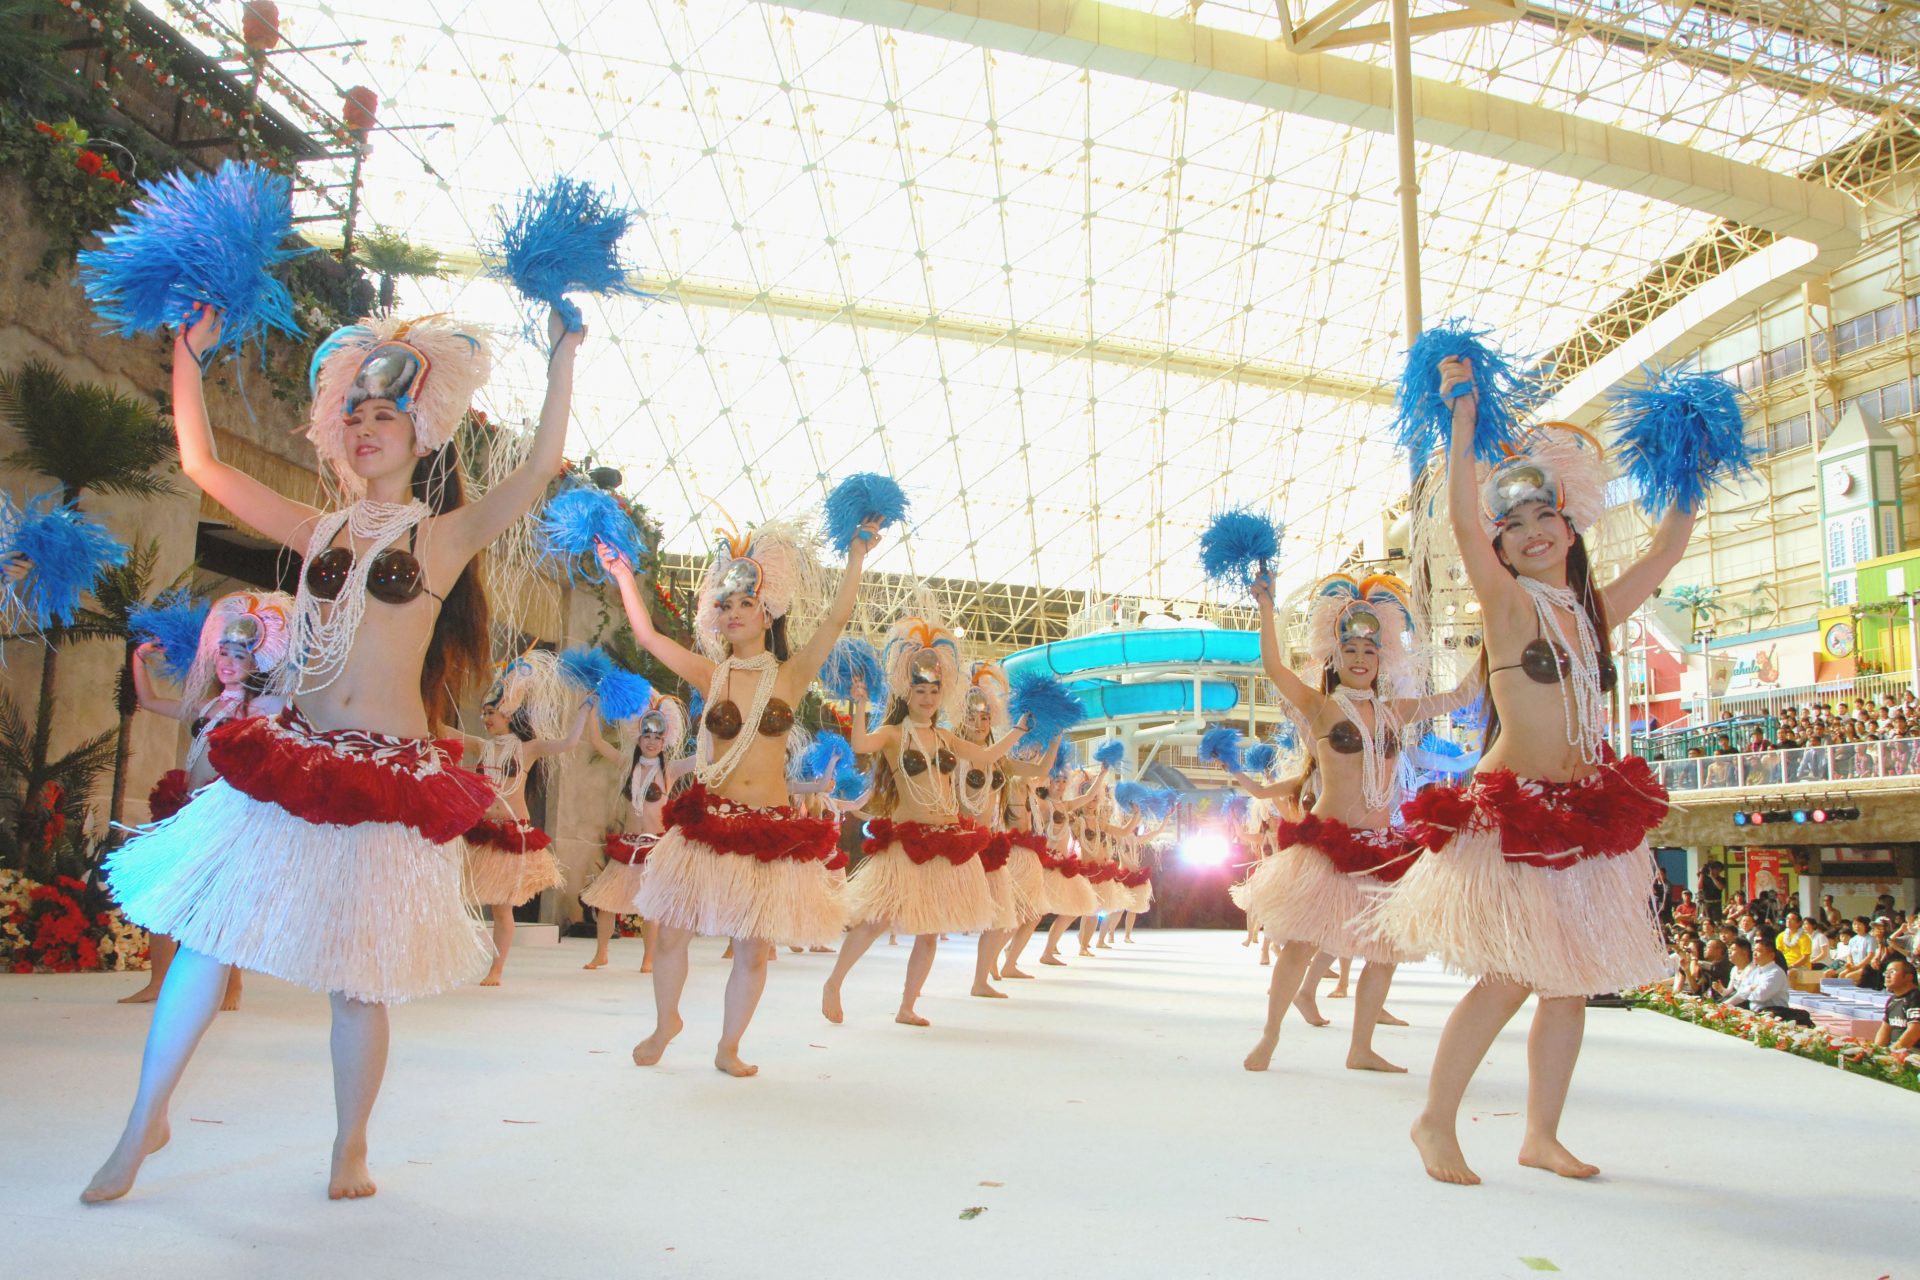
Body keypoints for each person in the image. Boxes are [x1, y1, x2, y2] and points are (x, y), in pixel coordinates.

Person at [88, 304, 580, 1203]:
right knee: (205, 939)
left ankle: (350, 1146)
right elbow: (203, 465)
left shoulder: (442, 537)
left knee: (358, 980)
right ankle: (142, 1122)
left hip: (382, 775)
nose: (361, 425)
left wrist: (561, 359)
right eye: (350, 412)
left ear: (423, 433)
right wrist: (188, 359)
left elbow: (541, 467)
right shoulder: (317, 530)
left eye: (382, 414)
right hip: (293, 757)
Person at [1381, 356, 1695, 1186]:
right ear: (1502, 547)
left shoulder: (1592, 611)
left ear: (1570, 525)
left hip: (1586, 811)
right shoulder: (1510, 604)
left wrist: (1688, 457)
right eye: (1513, 526)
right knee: (1512, 974)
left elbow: (1667, 547)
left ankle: (1539, 1136)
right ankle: (1433, 1120)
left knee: (1570, 983)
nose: (1531, 531)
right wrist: (1460, 414)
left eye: (1543, 515)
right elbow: (1457, 521)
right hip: (1516, 810)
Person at [599, 511, 878, 1077]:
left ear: (767, 609)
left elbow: (836, 618)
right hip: (709, 821)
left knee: (753, 947)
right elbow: (649, 635)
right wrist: (624, 575)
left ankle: (728, 1046)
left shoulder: (793, 674)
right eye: (722, 604)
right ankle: (665, 1023)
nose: (731, 613)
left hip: (769, 826)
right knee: (672, 932)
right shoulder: (711, 674)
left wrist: (855, 555)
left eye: (743, 603)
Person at [1239, 570, 1480, 1075]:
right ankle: (1269, 1035)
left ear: (1382, 657)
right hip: (1328, 842)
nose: (1360, 659)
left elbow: (1460, 695)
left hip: (1383, 844)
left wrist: (1495, 625)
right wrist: (1266, 609)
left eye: (1370, 652)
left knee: (1385, 949)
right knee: (1302, 944)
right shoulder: (1321, 707)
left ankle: (1361, 1047)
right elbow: (1274, 668)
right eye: (1350, 650)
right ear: (1336, 656)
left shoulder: (1396, 711)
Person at [823, 618, 1026, 1025]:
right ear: (908, 692)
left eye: (935, 690)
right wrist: (861, 704)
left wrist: (1018, 730)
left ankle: (907, 1005)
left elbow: (986, 757)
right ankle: (834, 983)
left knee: (930, 930)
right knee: (874, 920)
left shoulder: (947, 738)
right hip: (907, 843)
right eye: (921, 690)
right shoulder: (895, 733)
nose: (929, 697)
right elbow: (861, 744)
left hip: (946, 838)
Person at [119, 591, 293, 1010]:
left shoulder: (268, 705)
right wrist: (140, 661)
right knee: (163, 891)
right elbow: (149, 702)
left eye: (240, 656)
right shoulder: (210, 703)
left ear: (258, 663)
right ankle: (159, 980)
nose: (228, 662)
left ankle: (231, 985)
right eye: (223, 653)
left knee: (220, 901)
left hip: (229, 812)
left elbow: (296, 712)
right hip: (187, 806)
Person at [444, 651, 587, 986]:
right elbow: (443, 730)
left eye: (491, 712)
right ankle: (467, 961)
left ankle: (497, 968)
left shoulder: (528, 748)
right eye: (483, 712)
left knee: (502, 908)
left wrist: (584, 713)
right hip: (484, 832)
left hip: (512, 833)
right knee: (475, 903)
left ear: (509, 713)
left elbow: (568, 743)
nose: (486, 718)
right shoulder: (483, 746)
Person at [582, 693, 695, 971]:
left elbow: (702, 757)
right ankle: (602, 953)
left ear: (665, 740)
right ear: (638, 737)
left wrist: (711, 722)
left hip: (655, 847)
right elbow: (597, 742)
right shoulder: (626, 764)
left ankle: (648, 958)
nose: (652, 742)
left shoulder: (670, 770)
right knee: (605, 901)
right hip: (627, 844)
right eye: (647, 736)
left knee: (650, 908)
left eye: (657, 738)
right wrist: (591, 710)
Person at [1722, 938, 1791, 1012]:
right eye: (1754, 950)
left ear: (1771, 955)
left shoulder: (1776, 973)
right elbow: (1740, 993)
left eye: (1759, 951)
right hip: (1755, 1012)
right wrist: (1724, 1005)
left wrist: (1746, 992)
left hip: (1774, 1014)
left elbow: (1760, 996)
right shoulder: (1755, 971)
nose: (1754, 954)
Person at [1874, 959, 1919, 1050]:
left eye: (1892, 972)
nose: (1887, 976)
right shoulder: (1892, 1000)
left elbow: (1915, 1031)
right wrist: (1876, 1051)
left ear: (1908, 977)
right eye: (1886, 972)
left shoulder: (1916, 998)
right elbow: (1885, 1030)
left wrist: (1893, 1052)